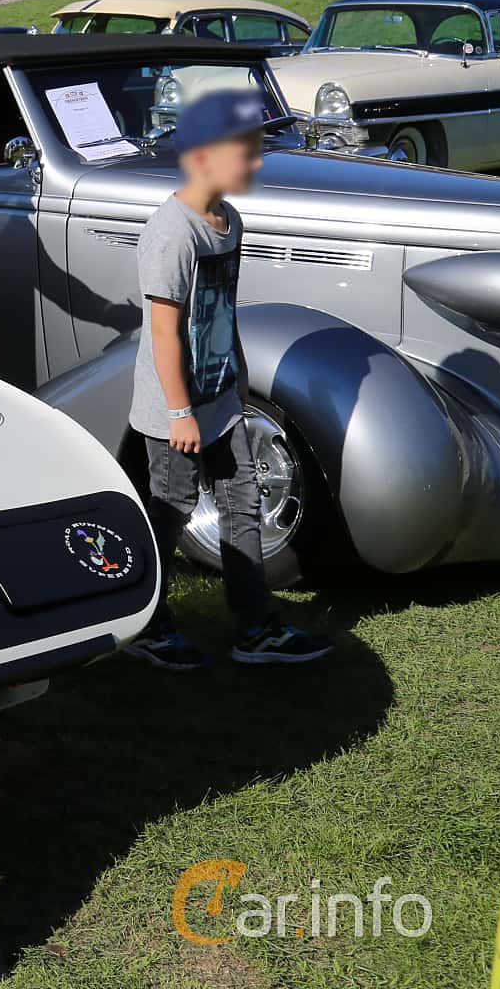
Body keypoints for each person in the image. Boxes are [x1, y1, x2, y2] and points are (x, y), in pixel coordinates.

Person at [121, 91, 334, 670]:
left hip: (220, 396)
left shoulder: (228, 220)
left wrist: (235, 369)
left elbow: (221, 308)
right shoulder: (171, 233)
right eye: (250, 152)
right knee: (170, 509)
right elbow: (163, 332)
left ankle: (255, 628)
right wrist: (179, 411)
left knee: (243, 503)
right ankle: (143, 622)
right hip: (177, 407)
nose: (259, 163)